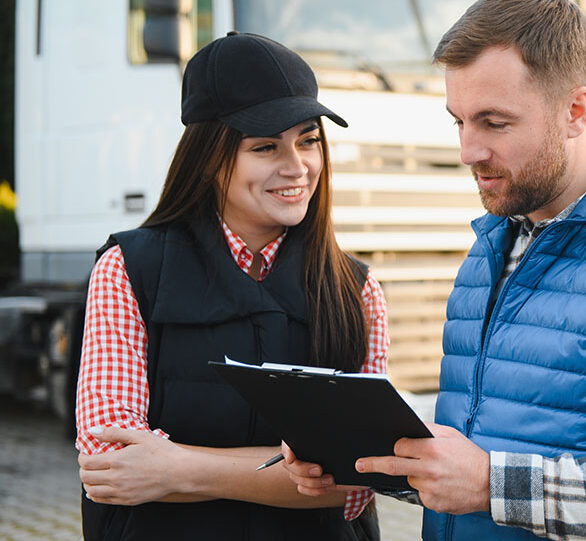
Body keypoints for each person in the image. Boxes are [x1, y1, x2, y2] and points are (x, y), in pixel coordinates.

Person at [284, 0, 586, 539]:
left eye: (494, 122)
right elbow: (468, 459)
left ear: (576, 111)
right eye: (459, 121)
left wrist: (492, 484)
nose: (468, 150)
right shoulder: (488, 251)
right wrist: (349, 453)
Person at [75, 32, 387, 541]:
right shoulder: (127, 270)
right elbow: (110, 466)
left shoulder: (356, 291)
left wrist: (177, 467)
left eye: (308, 139)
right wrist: (295, 472)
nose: (298, 166)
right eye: (266, 146)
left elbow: (356, 485)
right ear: (209, 158)